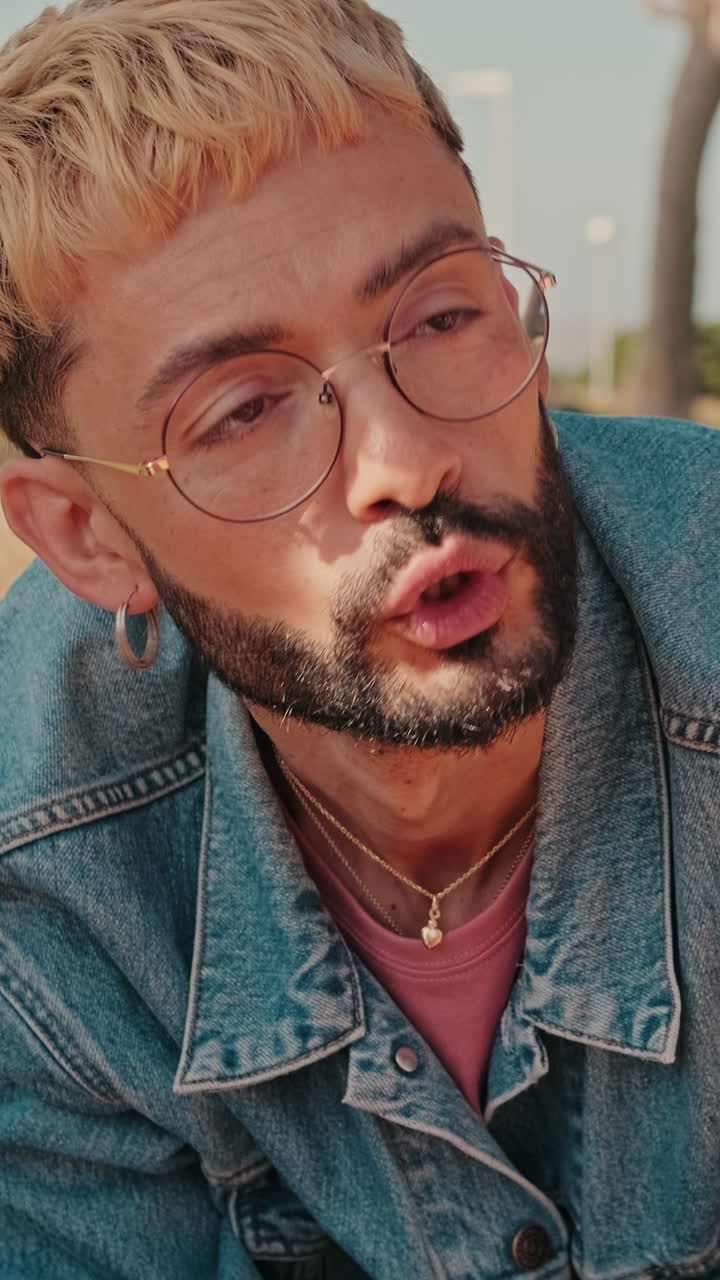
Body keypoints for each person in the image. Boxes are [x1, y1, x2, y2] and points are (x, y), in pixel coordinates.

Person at [0, 1, 717, 1276]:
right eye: (245, 409)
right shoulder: (47, 885)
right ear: (88, 539)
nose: (408, 457)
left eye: (443, 317)